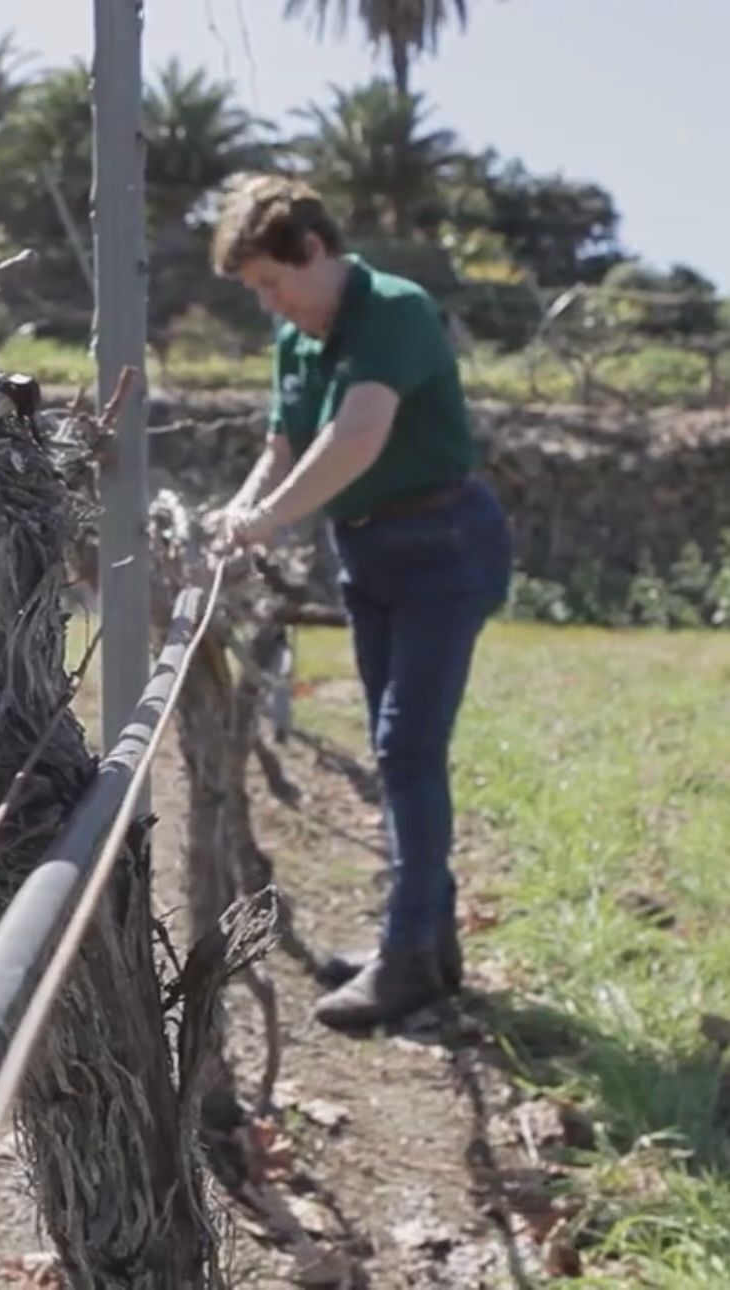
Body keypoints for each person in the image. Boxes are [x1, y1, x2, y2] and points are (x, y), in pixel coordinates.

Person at [206, 174, 513, 1030]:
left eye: (271, 282)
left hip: (442, 545)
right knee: (398, 752)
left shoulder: (394, 310)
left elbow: (358, 435)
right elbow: (283, 446)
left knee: (404, 747)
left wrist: (268, 519)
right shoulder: (298, 341)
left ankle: (409, 955)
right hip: (368, 551)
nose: (269, 304)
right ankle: (425, 941)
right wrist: (238, 512)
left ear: (313, 251)